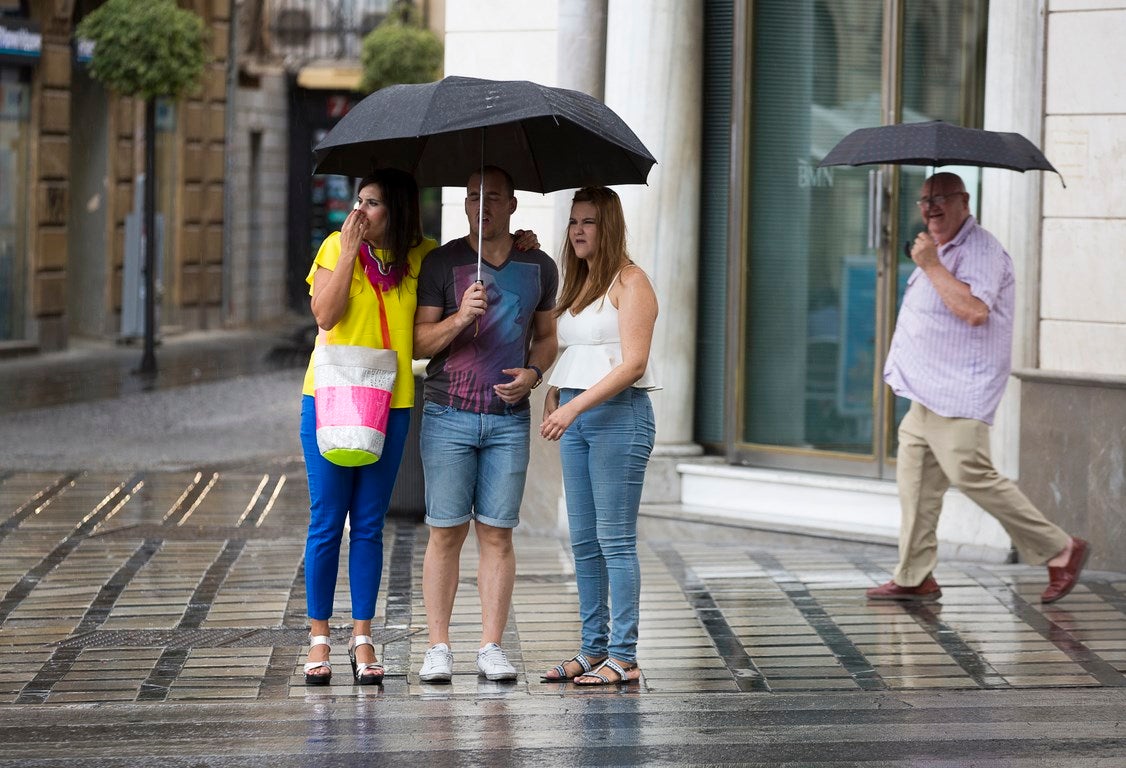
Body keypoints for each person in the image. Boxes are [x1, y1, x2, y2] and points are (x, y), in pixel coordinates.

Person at [867, 172, 1089, 604]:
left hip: (958, 393)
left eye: (942, 199)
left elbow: (973, 311)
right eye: (925, 200)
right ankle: (914, 576)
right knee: (915, 489)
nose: (931, 208)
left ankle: (1062, 549)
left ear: (964, 202)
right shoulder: (939, 248)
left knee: (973, 476)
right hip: (925, 395)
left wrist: (930, 265)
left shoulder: (980, 249)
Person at [413, 166, 559, 683]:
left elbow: (546, 338)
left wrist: (535, 374)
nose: (483, 206)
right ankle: (438, 648)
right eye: (473, 197)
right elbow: (417, 343)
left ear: (513, 204)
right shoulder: (442, 262)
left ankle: (491, 646)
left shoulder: (539, 264)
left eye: (493, 197)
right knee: (445, 532)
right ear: (465, 204)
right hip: (447, 413)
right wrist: (458, 318)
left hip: (508, 419)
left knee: (497, 534)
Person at [300, 168, 435, 686]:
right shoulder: (336, 245)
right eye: (358, 200)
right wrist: (352, 252)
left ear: (397, 209)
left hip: (391, 402)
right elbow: (326, 316)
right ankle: (317, 637)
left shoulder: (422, 256)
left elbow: (470, 257)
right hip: (329, 398)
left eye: (372, 203)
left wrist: (518, 241)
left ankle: (362, 635)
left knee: (371, 524)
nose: (360, 211)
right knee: (327, 520)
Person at [539, 186, 658, 685]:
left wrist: (574, 405)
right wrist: (555, 391)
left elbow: (633, 364)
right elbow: (573, 349)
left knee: (614, 540)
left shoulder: (631, 282)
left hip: (619, 417)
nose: (578, 230)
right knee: (582, 540)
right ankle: (592, 649)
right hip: (577, 413)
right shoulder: (579, 284)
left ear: (608, 226)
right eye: (573, 221)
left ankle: (624, 655)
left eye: (588, 221)